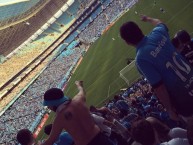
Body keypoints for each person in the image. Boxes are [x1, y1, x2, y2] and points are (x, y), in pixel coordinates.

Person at [119, 15, 193, 120]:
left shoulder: (141, 59)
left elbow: (159, 87)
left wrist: (170, 110)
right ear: (140, 29)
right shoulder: (158, 33)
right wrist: (148, 19)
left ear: (127, 42)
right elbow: (159, 22)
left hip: (185, 99)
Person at [41, 81, 114, 145]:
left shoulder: (59, 119)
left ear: (54, 103)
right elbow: (82, 91)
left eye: (48, 105)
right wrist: (79, 85)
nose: (48, 108)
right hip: (101, 138)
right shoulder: (78, 100)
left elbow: (50, 141)